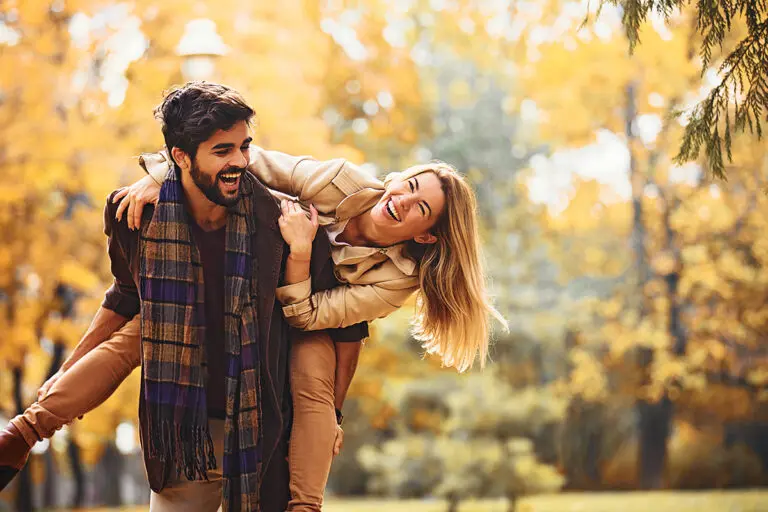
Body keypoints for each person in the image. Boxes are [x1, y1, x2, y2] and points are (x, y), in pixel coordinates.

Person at [0, 82, 368, 512]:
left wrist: (333, 414)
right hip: (184, 430)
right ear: (180, 156)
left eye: (244, 147)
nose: (240, 162)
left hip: (262, 427)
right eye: (222, 151)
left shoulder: (286, 224)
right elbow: (124, 298)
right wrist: (67, 370)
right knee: (141, 330)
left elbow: (342, 327)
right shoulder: (137, 215)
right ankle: (20, 436)